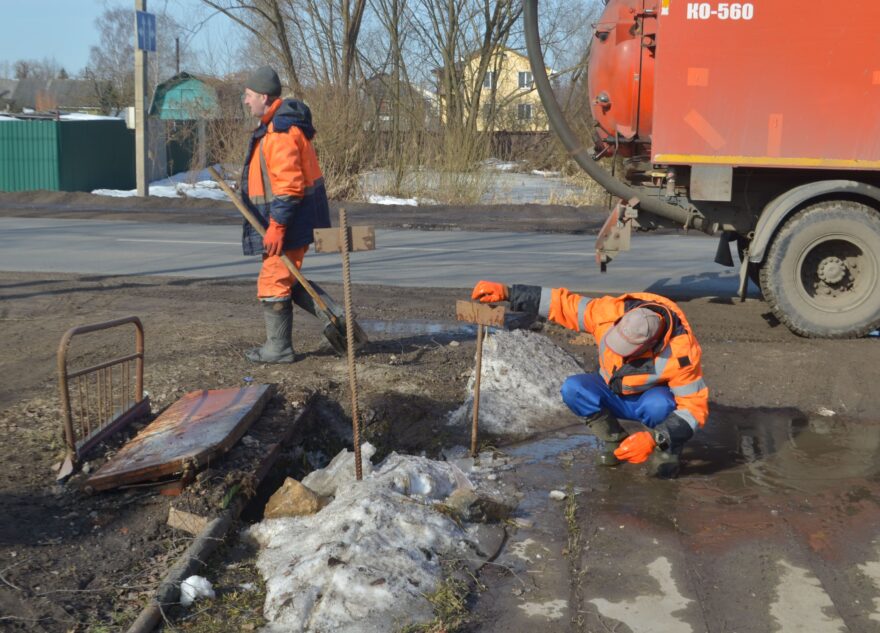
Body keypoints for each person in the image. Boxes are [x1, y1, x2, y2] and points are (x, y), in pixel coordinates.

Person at [471, 281, 708, 478]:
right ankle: (615, 440)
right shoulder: (609, 312)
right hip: (611, 390)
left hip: (648, 401)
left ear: (649, 344)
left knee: (661, 406)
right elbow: (562, 303)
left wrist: (656, 437)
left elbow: (694, 409)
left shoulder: (681, 352)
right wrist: (509, 293)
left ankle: (667, 451)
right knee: (574, 388)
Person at [239, 66, 332, 363]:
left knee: (274, 280)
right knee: (286, 277)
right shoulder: (276, 127)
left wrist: (277, 226)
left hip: (288, 219)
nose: (245, 100)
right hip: (287, 217)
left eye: (249, 95)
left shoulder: (280, 132)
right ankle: (338, 319)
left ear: (264, 97)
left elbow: (289, 186)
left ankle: (279, 348)